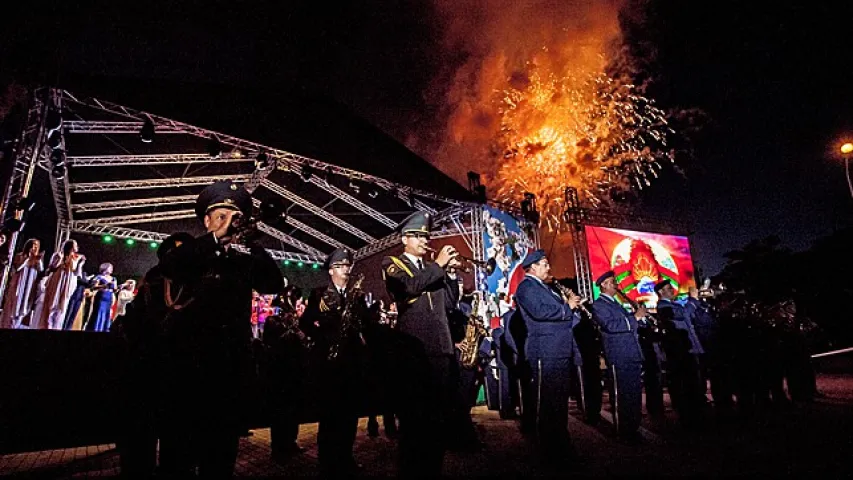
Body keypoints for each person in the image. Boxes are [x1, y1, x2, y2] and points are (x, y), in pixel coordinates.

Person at [155, 180, 284, 477]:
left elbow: (273, 284)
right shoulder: (193, 251)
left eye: (234, 217)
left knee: (221, 457)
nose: (229, 223)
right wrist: (216, 239)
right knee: (179, 457)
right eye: (222, 216)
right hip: (189, 370)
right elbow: (170, 267)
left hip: (228, 371)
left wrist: (252, 242)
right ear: (206, 221)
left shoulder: (243, 260)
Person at [381, 211, 461, 478]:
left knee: (437, 417)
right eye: (418, 236)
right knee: (414, 417)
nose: (425, 240)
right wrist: (438, 266)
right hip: (413, 350)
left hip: (440, 348)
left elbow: (450, 303)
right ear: (405, 239)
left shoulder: (432, 269)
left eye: (427, 236)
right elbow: (407, 288)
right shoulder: (392, 263)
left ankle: (432, 469)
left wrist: (450, 275)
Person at [300, 248, 369, 477]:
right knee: (330, 417)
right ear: (331, 271)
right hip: (329, 365)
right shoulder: (319, 294)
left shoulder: (356, 295)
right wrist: (325, 338)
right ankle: (327, 462)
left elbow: (366, 325)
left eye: (347, 266)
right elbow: (306, 323)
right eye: (340, 266)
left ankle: (346, 458)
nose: (346, 270)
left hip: (351, 363)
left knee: (349, 417)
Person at [513, 249, 582, 466]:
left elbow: (563, 316)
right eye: (544, 264)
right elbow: (541, 312)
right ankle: (549, 451)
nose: (548, 267)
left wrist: (573, 309)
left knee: (559, 403)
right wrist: (567, 307)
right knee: (548, 403)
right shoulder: (526, 287)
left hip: (559, 350)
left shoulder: (547, 288)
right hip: (545, 351)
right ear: (532, 267)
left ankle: (561, 446)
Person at [590, 271, 646, 443]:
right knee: (622, 394)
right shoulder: (599, 305)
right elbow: (610, 326)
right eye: (612, 282)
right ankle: (624, 431)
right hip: (618, 354)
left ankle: (633, 428)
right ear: (604, 285)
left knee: (634, 394)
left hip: (631, 352)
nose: (616, 284)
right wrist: (634, 318)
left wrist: (640, 318)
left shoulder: (618, 304)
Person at [655, 279, 705, 428]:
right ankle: (688, 417)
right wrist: (692, 300)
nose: (672, 290)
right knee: (685, 384)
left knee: (695, 383)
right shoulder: (663, 306)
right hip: (680, 353)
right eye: (669, 289)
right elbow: (682, 314)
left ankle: (696, 412)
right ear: (660, 292)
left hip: (689, 349)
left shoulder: (675, 304)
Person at [38, 239, 86, 330]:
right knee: (52, 305)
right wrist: (60, 259)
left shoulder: (75, 258)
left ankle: (56, 327)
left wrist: (80, 264)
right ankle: (47, 327)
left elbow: (77, 274)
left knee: (61, 309)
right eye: (75, 245)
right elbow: (51, 268)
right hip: (57, 282)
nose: (77, 247)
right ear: (70, 247)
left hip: (68, 284)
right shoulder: (58, 254)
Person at [0, 238, 43, 329]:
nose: (34, 247)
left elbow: (41, 270)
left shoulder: (37, 260)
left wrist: (38, 260)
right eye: (33, 245)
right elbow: (18, 268)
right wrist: (27, 258)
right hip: (19, 286)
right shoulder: (20, 256)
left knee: (23, 308)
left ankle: (16, 325)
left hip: (29, 287)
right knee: (13, 307)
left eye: (36, 246)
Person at [88, 263, 118, 332]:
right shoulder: (99, 277)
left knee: (106, 314)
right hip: (101, 297)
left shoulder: (113, 278)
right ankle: (95, 329)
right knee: (98, 313)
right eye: (110, 268)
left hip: (109, 298)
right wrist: (104, 286)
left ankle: (104, 330)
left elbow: (115, 290)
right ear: (105, 268)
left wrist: (119, 287)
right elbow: (93, 287)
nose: (112, 269)